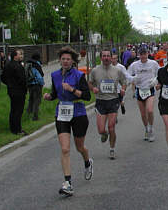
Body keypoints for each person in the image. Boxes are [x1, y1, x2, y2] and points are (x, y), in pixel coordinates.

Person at [43, 46, 93, 196]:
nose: (65, 61)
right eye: (63, 59)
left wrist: (72, 89)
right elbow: (55, 93)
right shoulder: (55, 75)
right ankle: (67, 183)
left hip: (78, 113)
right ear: (60, 60)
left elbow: (87, 96)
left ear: (72, 61)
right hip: (62, 114)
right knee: (65, 149)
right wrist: (49, 97)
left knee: (79, 147)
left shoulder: (79, 75)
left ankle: (87, 161)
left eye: (68, 59)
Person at [89, 49, 127, 160]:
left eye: (108, 56)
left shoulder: (117, 70)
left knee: (111, 127)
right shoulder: (95, 70)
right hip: (100, 101)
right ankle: (104, 134)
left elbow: (124, 82)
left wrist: (123, 89)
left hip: (113, 100)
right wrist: (93, 88)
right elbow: (90, 83)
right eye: (104, 56)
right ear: (101, 57)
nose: (106, 58)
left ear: (111, 57)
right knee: (101, 130)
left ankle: (112, 149)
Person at [128, 46, 159, 142]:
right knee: (142, 114)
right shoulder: (134, 65)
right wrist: (133, 79)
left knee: (149, 110)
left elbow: (160, 73)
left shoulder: (153, 63)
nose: (143, 56)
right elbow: (127, 74)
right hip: (139, 90)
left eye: (144, 54)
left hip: (149, 89)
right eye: (141, 54)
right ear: (139, 55)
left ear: (147, 54)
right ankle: (146, 129)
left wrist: (155, 80)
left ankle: (151, 128)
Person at [1, 49, 27, 135]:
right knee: (18, 111)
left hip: (11, 90)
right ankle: (17, 130)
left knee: (13, 110)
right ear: (15, 56)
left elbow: (3, 78)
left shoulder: (7, 65)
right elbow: (22, 79)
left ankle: (12, 128)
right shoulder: (18, 66)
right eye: (20, 54)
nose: (21, 56)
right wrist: (22, 86)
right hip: (19, 91)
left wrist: (9, 84)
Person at [26, 53, 44, 120]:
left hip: (30, 84)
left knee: (31, 99)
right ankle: (35, 116)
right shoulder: (36, 65)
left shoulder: (28, 64)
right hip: (37, 85)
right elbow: (39, 77)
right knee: (37, 100)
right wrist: (42, 83)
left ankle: (28, 113)